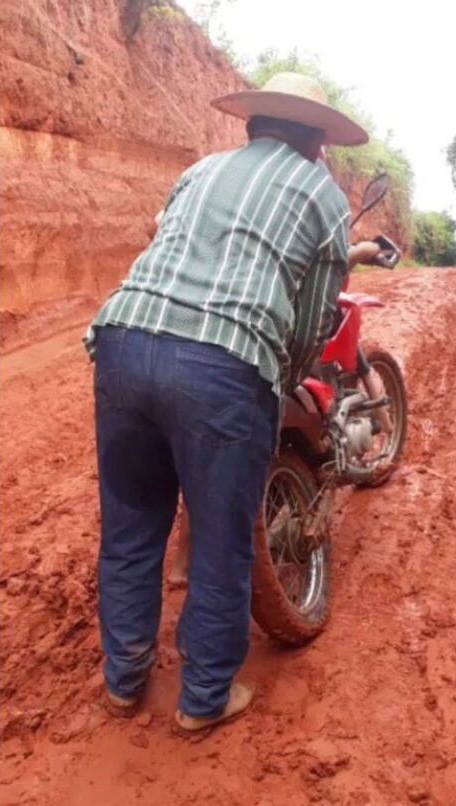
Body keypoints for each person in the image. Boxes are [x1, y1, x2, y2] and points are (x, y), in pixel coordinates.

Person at [83, 72, 380, 735]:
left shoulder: (199, 171)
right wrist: (285, 376)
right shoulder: (323, 199)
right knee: (221, 541)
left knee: (130, 529)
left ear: (253, 126)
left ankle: (123, 681)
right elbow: (310, 321)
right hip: (220, 365)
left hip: (122, 343)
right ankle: (203, 699)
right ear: (314, 140)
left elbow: (160, 249)